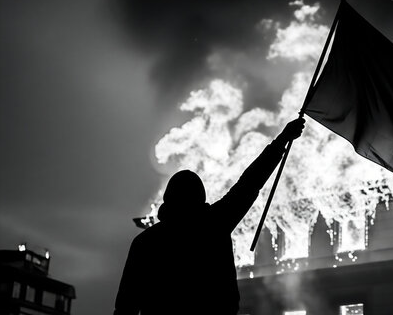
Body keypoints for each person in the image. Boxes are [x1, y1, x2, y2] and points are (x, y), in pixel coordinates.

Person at [114, 118, 305, 315]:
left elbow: (125, 306)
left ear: (169, 200)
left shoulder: (145, 242)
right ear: (200, 199)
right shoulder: (215, 223)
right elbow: (249, 183)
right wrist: (282, 140)